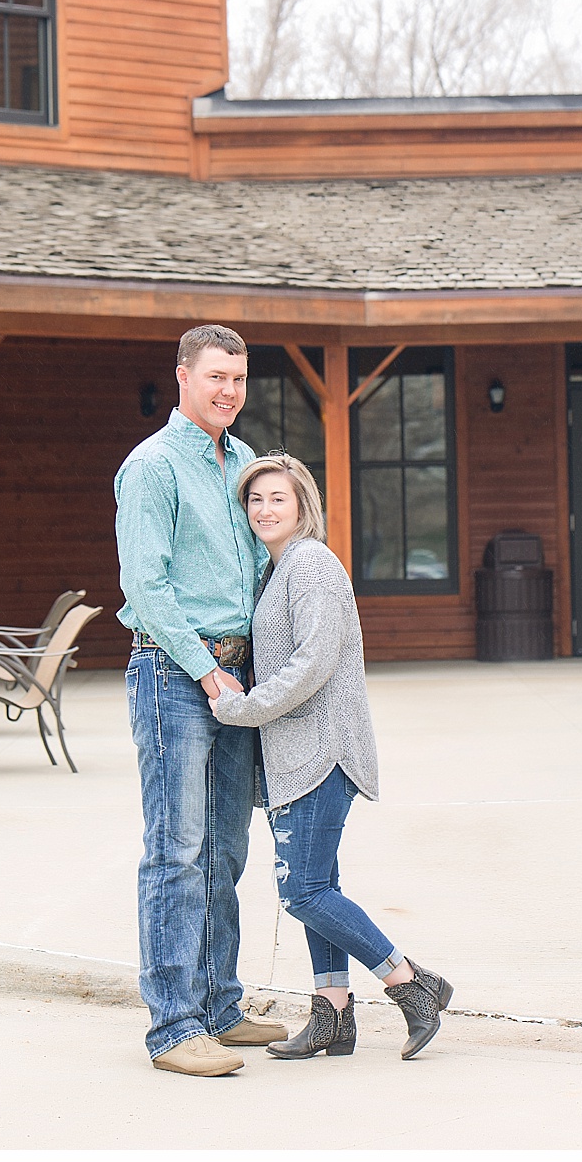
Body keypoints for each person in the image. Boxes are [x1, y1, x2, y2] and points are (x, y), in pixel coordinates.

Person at [211, 452, 453, 1060]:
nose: (265, 509)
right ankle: (332, 1016)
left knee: (304, 892)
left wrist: (242, 708)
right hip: (297, 756)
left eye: (278, 499)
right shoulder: (280, 569)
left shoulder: (312, 565)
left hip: (322, 754)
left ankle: (410, 983)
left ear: (304, 507)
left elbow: (313, 664)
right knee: (322, 886)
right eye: (255, 500)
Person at [113, 323, 287, 1077]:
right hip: (174, 675)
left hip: (239, 680)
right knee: (176, 853)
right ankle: (174, 1028)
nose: (228, 392)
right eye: (215, 376)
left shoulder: (246, 462)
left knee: (225, 849)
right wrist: (208, 672)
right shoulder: (150, 468)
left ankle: (220, 1004)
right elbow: (144, 586)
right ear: (182, 376)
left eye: (239, 379)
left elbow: (258, 572)